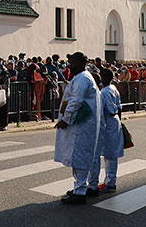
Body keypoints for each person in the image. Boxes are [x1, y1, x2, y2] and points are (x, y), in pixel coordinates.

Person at [54, 52, 101, 205]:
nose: (69, 65)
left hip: (80, 125)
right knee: (88, 154)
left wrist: (66, 120)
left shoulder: (81, 79)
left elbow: (75, 101)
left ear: (81, 63)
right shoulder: (84, 77)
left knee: (79, 155)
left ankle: (80, 190)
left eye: (73, 63)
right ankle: (90, 186)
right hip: (85, 124)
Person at [91, 73, 124, 193]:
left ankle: (110, 183)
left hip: (108, 121)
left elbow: (101, 110)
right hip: (114, 121)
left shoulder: (103, 92)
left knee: (109, 155)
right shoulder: (113, 89)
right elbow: (119, 107)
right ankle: (110, 180)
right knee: (111, 153)